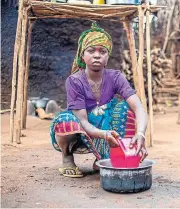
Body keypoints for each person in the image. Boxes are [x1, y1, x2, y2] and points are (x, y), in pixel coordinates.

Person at [50, 23, 148, 178]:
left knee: (125, 108)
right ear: (82, 56)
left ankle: (104, 158)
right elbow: (83, 121)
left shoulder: (116, 77)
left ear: (107, 57)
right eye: (91, 50)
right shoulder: (75, 81)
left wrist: (141, 134)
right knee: (66, 121)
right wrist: (104, 134)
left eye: (102, 51)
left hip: (107, 129)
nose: (97, 55)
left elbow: (139, 108)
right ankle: (67, 156)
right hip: (83, 132)